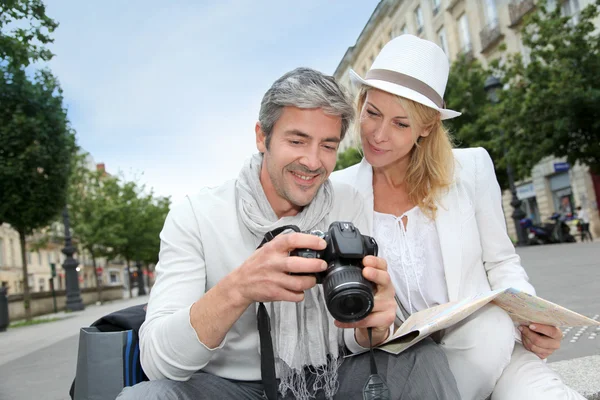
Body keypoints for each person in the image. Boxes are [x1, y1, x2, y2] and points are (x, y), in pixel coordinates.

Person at [117, 67, 460, 400]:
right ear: (261, 137)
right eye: (297, 140)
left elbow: (356, 340)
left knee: (423, 360)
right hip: (227, 385)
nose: (312, 162)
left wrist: (372, 326)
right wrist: (239, 288)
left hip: (329, 376)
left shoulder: (347, 202)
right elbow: (158, 362)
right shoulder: (195, 214)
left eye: (327, 146)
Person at [332, 35, 584, 400]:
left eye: (401, 124)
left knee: (499, 334)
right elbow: (343, 312)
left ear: (427, 126)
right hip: (405, 364)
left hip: (492, 352)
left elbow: (502, 262)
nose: (378, 134)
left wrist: (534, 318)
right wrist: (368, 330)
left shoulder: (472, 168)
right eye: (372, 113)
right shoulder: (339, 191)